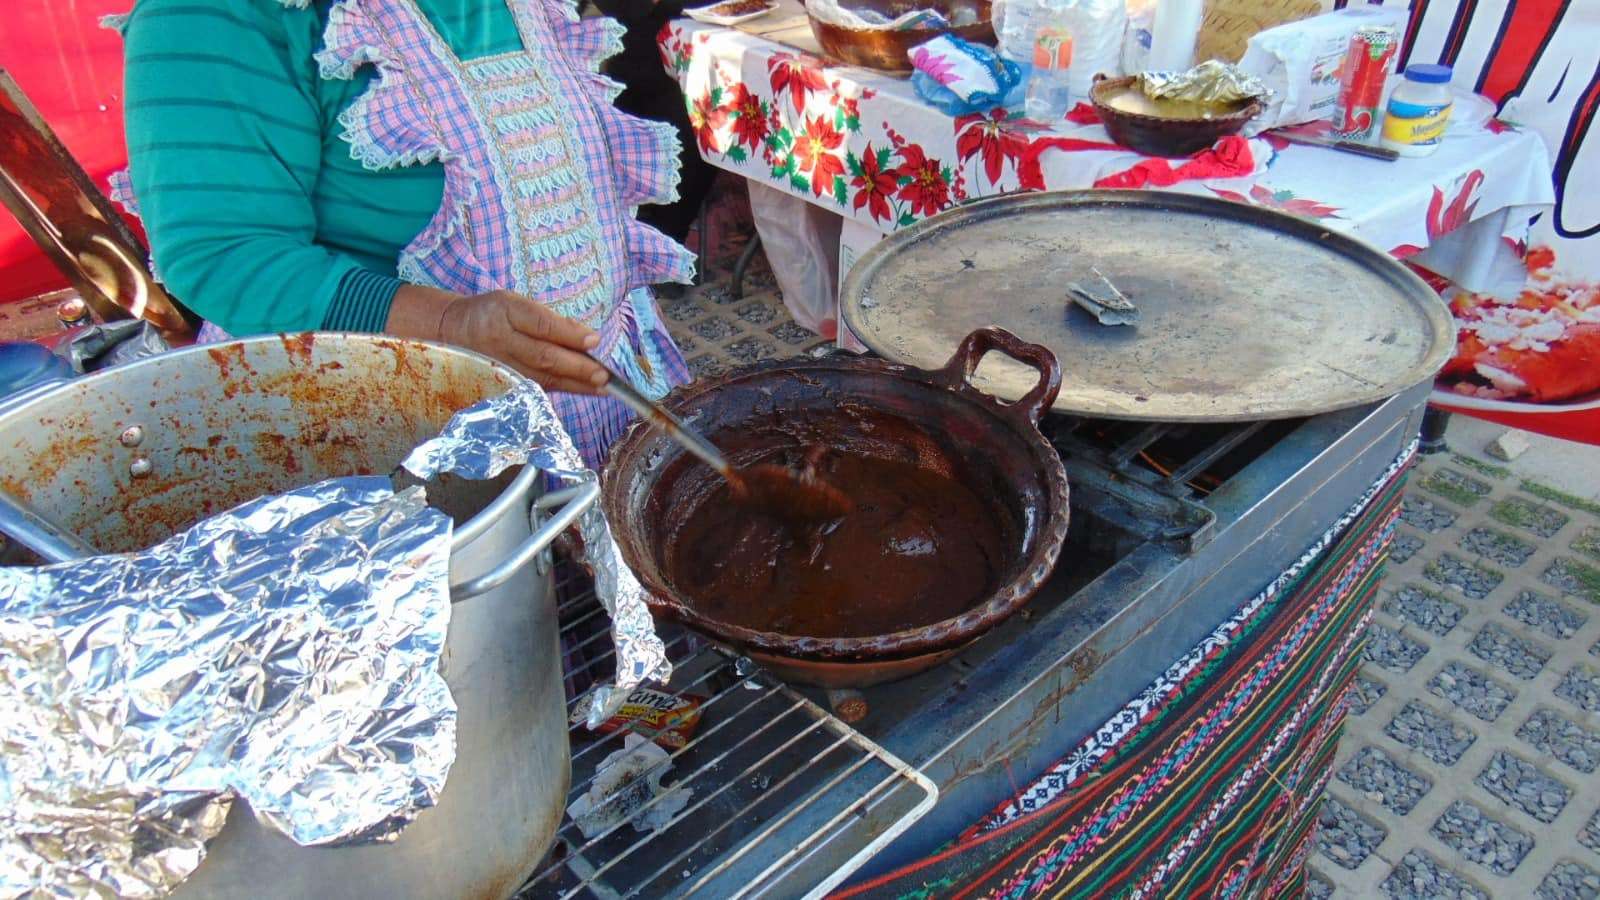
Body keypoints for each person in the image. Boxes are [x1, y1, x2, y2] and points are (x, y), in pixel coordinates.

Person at [116, 0, 698, 467]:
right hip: (402, 446)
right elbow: (225, 253)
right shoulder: (210, 15)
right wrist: (449, 323)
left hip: (599, 398)